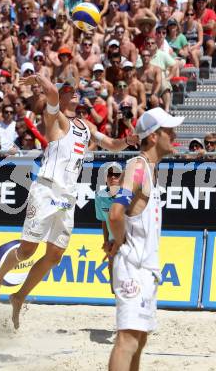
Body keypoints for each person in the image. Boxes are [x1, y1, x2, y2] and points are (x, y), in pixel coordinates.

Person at [0, 73, 138, 329]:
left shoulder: (85, 126)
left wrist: (127, 141)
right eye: (69, 88)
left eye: (74, 88)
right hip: (46, 190)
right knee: (27, 250)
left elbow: (112, 144)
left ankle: (18, 296)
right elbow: (52, 93)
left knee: (55, 256)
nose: (74, 90)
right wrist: (40, 77)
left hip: (67, 196)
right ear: (62, 94)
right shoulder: (55, 118)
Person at [108, 107, 184, 371]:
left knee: (138, 341)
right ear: (153, 136)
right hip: (134, 267)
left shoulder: (148, 170)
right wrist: (120, 243)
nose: (174, 134)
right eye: (169, 130)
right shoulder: (138, 167)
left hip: (144, 268)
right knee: (127, 340)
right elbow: (116, 214)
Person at [95, 162, 123, 293]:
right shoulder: (100, 196)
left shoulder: (127, 196)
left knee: (128, 285)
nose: (113, 177)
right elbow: (103, 221)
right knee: (114, 287)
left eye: (116, 174)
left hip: (127, 243)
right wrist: (106, 242)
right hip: (112, 243)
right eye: (110, 174)